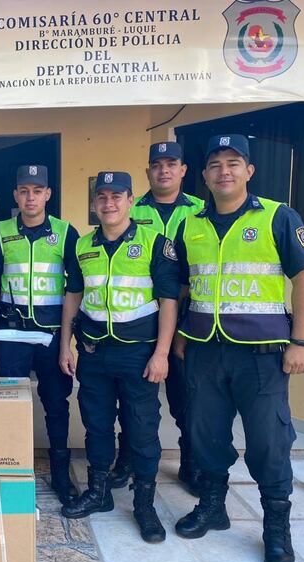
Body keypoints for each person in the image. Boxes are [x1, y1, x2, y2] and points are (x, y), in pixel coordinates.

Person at [172, 134, 304, 562]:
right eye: (215, 164)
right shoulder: (191, 224)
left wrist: (302, 341)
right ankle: (213, 506)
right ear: (204, 175)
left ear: (249, 171)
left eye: (233, 163)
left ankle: (277, 528)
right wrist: (179, 335)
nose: (224, 171)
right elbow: (183, 285)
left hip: (262, 355)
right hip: (204, 350)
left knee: (269, 442)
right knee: (206, 435)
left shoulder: (278, 216)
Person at [59, 171, 180, 544]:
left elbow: (168, 302)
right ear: (94, 204)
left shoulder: (155, 243)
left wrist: (162, 353)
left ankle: (144, 504)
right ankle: (99, 492)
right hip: (94, 352)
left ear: (131, 200)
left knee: (142, 431)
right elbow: (74, 297)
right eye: (101, 197)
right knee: (96, 426)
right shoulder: (82, 245)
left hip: (138, 355)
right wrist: (65, 344)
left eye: (116, 196)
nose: (108, 203)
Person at [102, 142, 205, 495]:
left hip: (190, 318)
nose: (163, 170)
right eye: (156, 164)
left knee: (186, 397)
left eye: (171, 164)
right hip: (145, 320)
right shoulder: (132, 207)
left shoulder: (201, 211)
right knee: (134, 401)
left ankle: (191, 461)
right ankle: (127, 460)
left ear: (183, 170)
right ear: (147, 172)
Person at [0, 164, 80, 505]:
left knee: (56, 404)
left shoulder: (65, 232)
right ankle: (10, 469)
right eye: (24, 190)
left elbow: (76, 287)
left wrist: (68, 341)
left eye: (37, 191)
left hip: (52, 335)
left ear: (47, 195)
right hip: (12, 334)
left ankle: (60, 475)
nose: (30, 197)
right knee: (8, 406)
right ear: (16, 195)